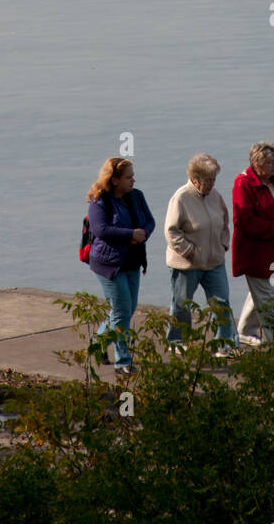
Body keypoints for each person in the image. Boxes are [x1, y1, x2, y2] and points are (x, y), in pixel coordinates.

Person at [87, 156, 155, 373]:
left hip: (132, 262)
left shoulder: (137, 196)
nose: (133, 181)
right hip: (109, 264)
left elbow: (149, 220)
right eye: (128, 177)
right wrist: (130, 235)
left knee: (127, 309)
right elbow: (101, 230)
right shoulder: (100, 200)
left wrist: (142, 234)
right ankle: (123, 361)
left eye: (133, 176)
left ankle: (96, 345)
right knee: (121, 311)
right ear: (114, 180)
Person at [165, 153, 238, 353]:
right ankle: (176, 342)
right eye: (207, 180)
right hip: (187, 265)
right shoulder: (181, 197)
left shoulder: (215, 196)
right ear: (194, 179)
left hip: (214, 262)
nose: (211, 184)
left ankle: (225, 344)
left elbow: (224, 222)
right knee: (181, 305)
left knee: (221, 302)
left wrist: (223, 244)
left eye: (214, 179)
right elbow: (171, 231)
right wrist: (189, 251)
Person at [232, 141, 274, 346]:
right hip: (255, 251)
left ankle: (244, 330)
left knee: (262, 289)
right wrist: (273, 230)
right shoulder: (243, 184)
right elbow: (246, 219)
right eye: (270, 162)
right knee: (267, 294)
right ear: (257, 163)